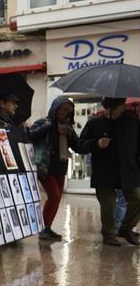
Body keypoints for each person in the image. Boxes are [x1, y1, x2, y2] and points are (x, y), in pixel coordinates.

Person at [78, 98, 140, 246]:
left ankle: (126, 229)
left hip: (128, 171)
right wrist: (96, 143)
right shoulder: (94, 123)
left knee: (137, 198)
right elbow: (80, 145)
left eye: (115, 108)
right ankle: (108, 233)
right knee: (108, 204)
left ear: (123, 107)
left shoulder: (133, 123)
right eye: (108, 108)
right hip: (103, 172)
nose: (110, 112)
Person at [29, 97, 81, 240]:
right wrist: (49, 127)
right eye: (62, 109)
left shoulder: (68, 128)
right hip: (45, 166)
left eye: (68, 110)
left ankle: (47, 227)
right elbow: (30, 135)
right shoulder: (44, 122)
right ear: (55, 109)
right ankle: (43, 228)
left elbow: (78, 146)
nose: (64, 113)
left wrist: (95, 144)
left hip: (60, 166)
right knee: (54, 196)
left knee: (56, 199)